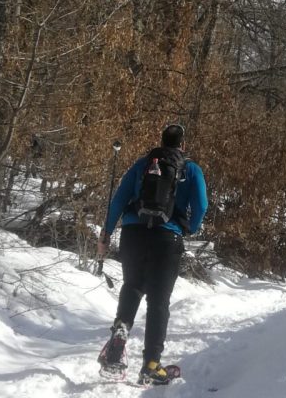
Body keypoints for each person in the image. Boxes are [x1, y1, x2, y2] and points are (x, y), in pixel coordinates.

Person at [97, 122, 208, 385]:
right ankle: (151, 365)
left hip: (133, 233)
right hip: (167, 238)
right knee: (159, 301)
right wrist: (189, 228)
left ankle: (120, 333)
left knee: (133, 285)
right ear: (183, 145)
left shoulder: (143, 164)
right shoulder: (190, 169)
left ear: (161, 140)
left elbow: (119, 199)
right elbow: (201, 205)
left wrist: (106, 235)